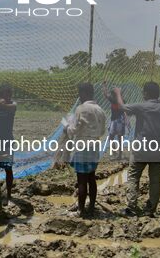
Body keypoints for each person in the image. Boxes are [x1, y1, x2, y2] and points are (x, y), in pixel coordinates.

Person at [114, 82, 160, 217]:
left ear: (146, 93)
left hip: (140, 151)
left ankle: (132, 207)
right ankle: (150, 209)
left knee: (133, 178)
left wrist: (118, 93)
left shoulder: (142, 107)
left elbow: (121, 106)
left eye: (143, 92)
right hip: (158, 151)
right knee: (154, 180)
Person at [66, 83, 106, 217]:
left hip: (82, 147)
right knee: (91, 178)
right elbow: (102, 131)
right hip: (95, 146)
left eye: (80, 94)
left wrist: (67, 126)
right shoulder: (100, 109)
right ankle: (91, 206)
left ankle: (81, 211)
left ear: (84, 93)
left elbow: (74, 129)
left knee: (81, 180)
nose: (79, 97)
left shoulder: (81, 108)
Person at [102, 81, 127, 160]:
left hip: (115, 121)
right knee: (120, 138)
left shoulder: (113, 99)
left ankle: (115, 154)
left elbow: (106, 94)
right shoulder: (122, 100)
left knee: (111, 137)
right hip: (121, 120)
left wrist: (104, 85)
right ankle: (119, 154)